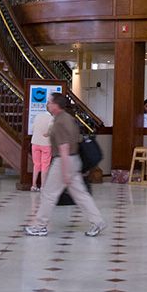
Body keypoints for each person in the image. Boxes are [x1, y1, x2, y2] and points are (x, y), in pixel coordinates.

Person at [25, 92, 104, 237]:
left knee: (49, 194)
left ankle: (40, 226)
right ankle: (97, 221)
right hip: (74, 160)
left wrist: (65, 171)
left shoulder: (60, 121)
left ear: (56, 105)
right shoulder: (68, 118)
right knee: (81, 194)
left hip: (63, 161)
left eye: (49, 102)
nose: (48, 105)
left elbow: (64, 147)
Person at [30, 105, 55, 191]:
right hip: (46, 144)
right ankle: (43, 186)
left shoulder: (38, 116)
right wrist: (47, 134)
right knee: (45, 165)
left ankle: (33, 185)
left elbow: (33, 128)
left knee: (36, 164)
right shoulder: (52, 118)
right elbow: (51, 129)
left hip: (35, 142)